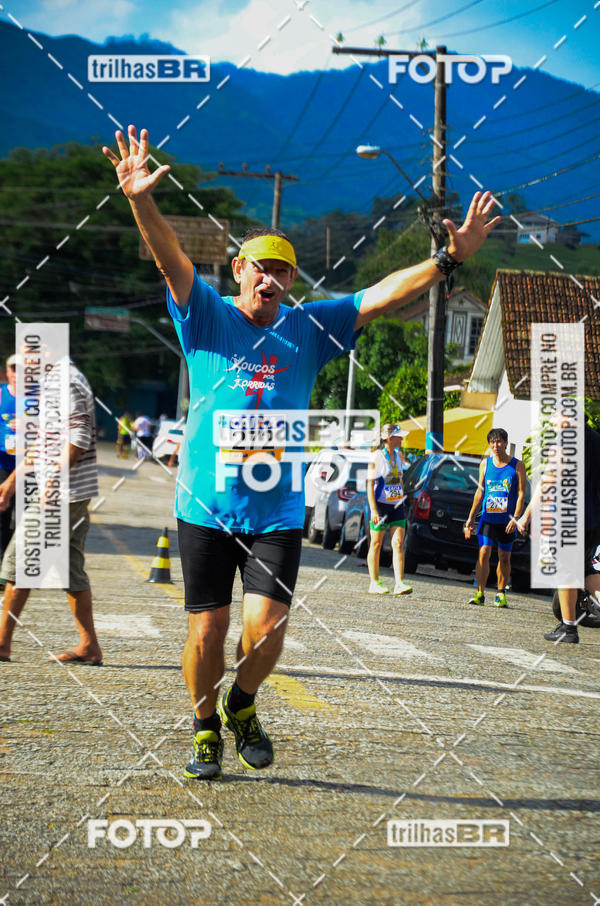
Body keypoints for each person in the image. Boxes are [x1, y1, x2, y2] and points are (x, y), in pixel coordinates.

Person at [103, 124, 499, 780]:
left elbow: (381, 296)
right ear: (239, 271)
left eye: (283, 269)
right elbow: (171, 258)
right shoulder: (203, 314)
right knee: (206, 632)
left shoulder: (309, 326)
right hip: (206, 504)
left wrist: (448, 262)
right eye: (260, 266)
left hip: (277, 511)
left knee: (269, 628)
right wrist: (142, 200)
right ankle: (204, 726)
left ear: (291, 280)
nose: (272, 278)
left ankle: (241, 703)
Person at [0, 357, 103, 665]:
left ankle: (2, 643)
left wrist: (55, 482)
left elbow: (79, 436)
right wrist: (12, 481)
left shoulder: (66, 381)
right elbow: (44, 442)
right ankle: (90, 647)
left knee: (20, 561)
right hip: (67, 494)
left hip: (61, 494)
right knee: (71, 570)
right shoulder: (52, 384)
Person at [517, 422, 600, 644]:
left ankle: (569, 629)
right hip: (594, 520)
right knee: (584, 571)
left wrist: (526, 515)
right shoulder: (596, 440)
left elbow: (548, 480)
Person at [464, 428, 527, 608]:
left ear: (506, 443)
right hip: (488, 518)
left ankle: (500, 593)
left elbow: (521, 494)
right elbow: (480, 491)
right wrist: (471, 516)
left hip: (507, 521)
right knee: (483, 552)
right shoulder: (485, 464)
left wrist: (515, 518)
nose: (496, 446)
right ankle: (480, 593)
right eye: (492, 442)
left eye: (499, 442)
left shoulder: (517, 465)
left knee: (504, 558)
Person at [366, 423, 412, 596]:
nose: (402, 439)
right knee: (376, 543)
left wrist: (402, 497)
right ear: (390, 438)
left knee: (398, 543)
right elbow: (370, 484)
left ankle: (399, 582)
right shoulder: (377, 457)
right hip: (380, 505)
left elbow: (399, 478)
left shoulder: (399, 456)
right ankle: (374, 582)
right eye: (399, 436)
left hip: (396, 505)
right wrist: (373, 509)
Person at [0, 355, 18, 564]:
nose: (17, 374)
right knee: (2, 516)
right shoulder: (1, 394)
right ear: (7, 372)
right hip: (3, 462)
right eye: (14, 369)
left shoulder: (37, 397)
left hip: (30, 466)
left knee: (27, 521)